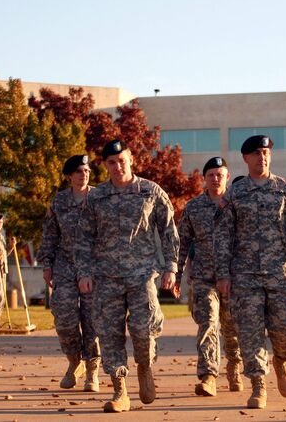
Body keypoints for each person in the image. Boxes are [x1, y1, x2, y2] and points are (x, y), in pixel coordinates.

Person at [75, 139, 179, 413]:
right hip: (106, 276)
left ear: (131, 159)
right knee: (109, 334)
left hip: (142, 274)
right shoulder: (96, 198)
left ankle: (144, 365)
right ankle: (120, 391)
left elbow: (168, 231)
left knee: (144, 330)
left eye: (122, 160)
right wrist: (84, 272)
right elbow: (84, 237)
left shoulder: (150, 191)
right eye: (111, 162)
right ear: (105, 165)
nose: (117, 166)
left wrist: (171, 267)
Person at [214, 135, 286, 409]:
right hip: (244, 276)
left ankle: (282, 360)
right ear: (245, 158)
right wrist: (222, 273)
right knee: (250, 332)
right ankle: (258, 386)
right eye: (256, 153)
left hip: (280, 273)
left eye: (266, 152)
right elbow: (223, 236)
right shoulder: (235, 194)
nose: (262, 157)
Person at [176, 157, 243, 397]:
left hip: (234, 276)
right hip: (204, 276)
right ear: (204, 179)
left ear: (227, 176)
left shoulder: (237, 204)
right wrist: (177, 273)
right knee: (208, 323)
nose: (216, 179)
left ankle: (234, 363)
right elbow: (182, 242)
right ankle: (208, 376)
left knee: (232, 326)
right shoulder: (194, 207)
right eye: (211, 175)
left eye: (220, 174)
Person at [37, 155, 100, 392]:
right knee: (64, 316)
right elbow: (50, 233)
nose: (84, 174)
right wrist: (46, 263)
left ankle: (92, 369)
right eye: (79, 171)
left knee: (92, 319)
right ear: (69, 175)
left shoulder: (99, 198)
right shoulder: (60, 200)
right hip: (65, 265)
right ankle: (74, 361)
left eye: (86, 170)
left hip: (93, 267)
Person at [0, 213, 17, 301]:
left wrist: (12, 246)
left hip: (3, 270)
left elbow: (5, 254)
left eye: (1, 222)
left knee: (1, 296)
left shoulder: (1, 237)